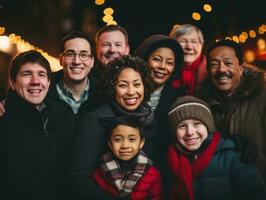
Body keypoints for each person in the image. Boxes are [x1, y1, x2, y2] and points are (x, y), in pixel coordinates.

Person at [70, 55, 159, 199]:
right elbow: (79, 178)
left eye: (137, 84)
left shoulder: (149, 119)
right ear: (112, 88)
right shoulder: (94, 120)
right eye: (123, 85)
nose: (131, 92)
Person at [0, 50, 75, 200]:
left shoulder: (64, 115)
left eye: (41, 74)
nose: (35, 81)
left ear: (48, 82)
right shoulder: (3, 118)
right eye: (26, 74)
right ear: (12, 82)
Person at [166, 95, 266, 200]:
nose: (190, 132)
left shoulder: (232, 157)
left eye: (197, 124)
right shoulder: (169, 161)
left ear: (208, 126)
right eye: (182, 126)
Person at [197, 39, 266, 181]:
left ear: (241, 69)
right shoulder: (202, 105)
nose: (221, 69)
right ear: (208, 72)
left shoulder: (262, 98)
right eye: (214, 64)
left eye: (228, 63)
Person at [0, 31, 100, 118]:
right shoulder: (41, 87)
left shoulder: (103, 92)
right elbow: (18, 91)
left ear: (92, 62)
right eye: (70, 54)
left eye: (84, 55)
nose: (77, 61)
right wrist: (5, 101)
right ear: (61, 60)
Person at [134, 34, 186, 150]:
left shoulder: (179, 98)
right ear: (144, 59)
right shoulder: (129, 92)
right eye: (157, 59)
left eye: (169, 63)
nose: (163, 67)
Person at [92, 116, 162, 200]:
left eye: (132, 139)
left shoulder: (153, 174)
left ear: (141, 143)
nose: (125, 146)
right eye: (118, 139)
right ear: (110, 144)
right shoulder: (99, 173)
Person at [169, 24, 207, 95]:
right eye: (182, 41)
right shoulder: (165, 70)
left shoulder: (211, 71)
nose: (189, 47)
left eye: (194, 42)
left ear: (201, 45)